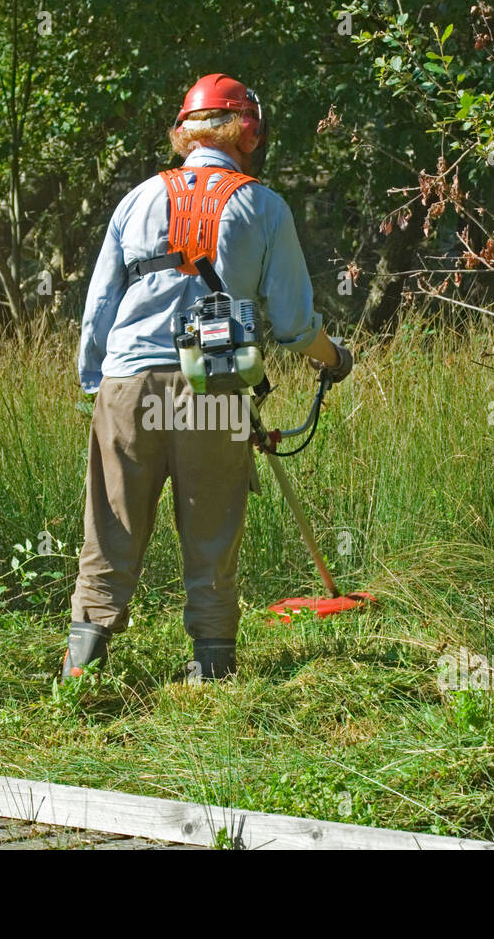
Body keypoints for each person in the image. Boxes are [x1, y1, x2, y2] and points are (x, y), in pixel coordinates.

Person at [64, 73, 353, 682]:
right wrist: (334, 359)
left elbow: (98, 307)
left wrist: (99, 383)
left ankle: (81, 674)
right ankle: (212, 673)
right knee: (213, 532)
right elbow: (296, 325)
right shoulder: (263, 205)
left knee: (111, 528)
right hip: (214, 390)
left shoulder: (136, 199)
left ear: (185, 132)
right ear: (248, 132)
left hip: (128, 387)